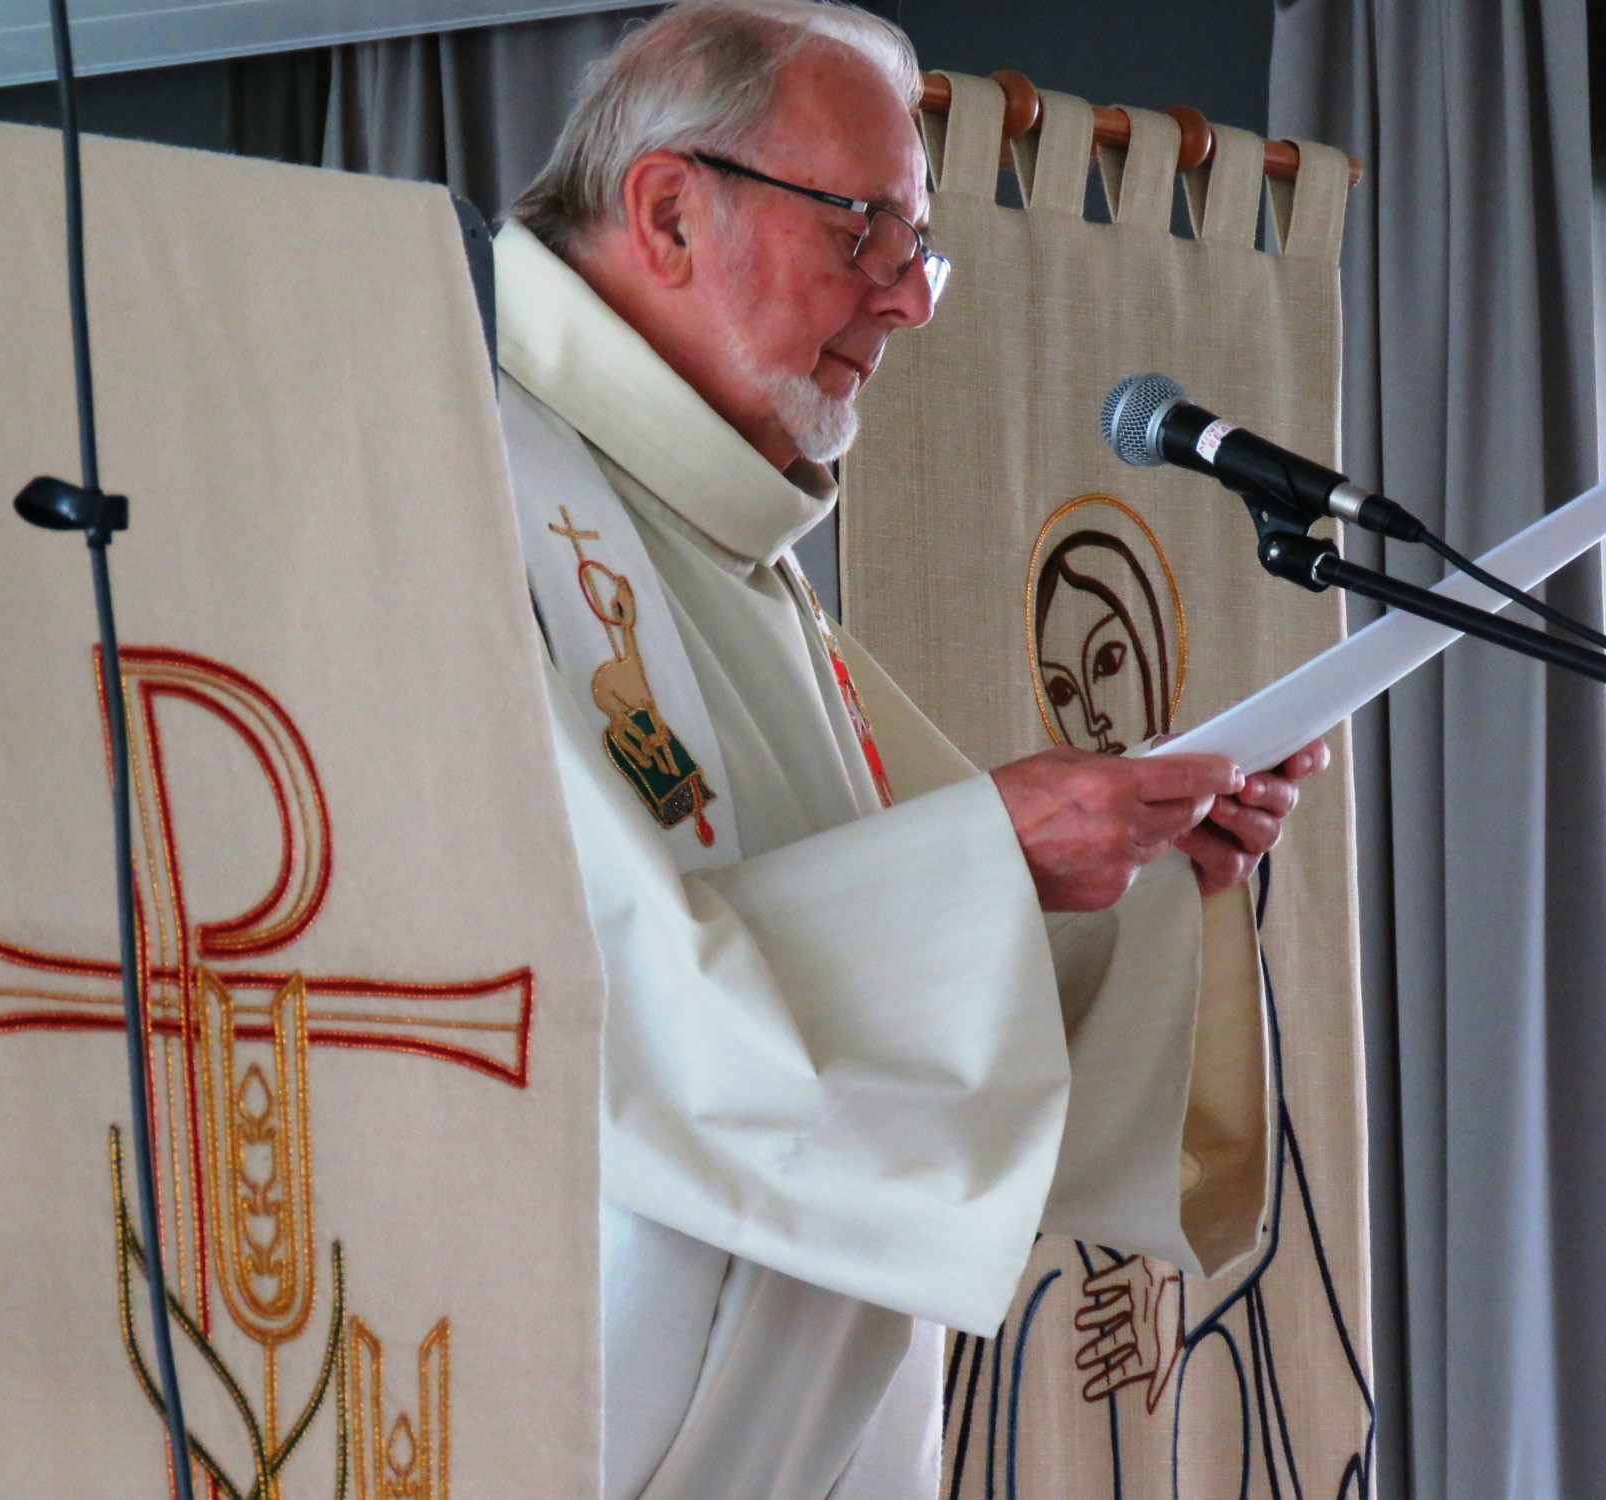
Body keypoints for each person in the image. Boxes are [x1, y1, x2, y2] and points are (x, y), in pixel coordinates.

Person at [493, 4, 1330, 1497]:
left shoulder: (733, 552)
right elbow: (579, 997)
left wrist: (1133, 865)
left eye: (916, 243)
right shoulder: (475, 481)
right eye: (866, 228)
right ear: (671, 211)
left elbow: (864, 942)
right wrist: (989, 859)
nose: (910, 299)